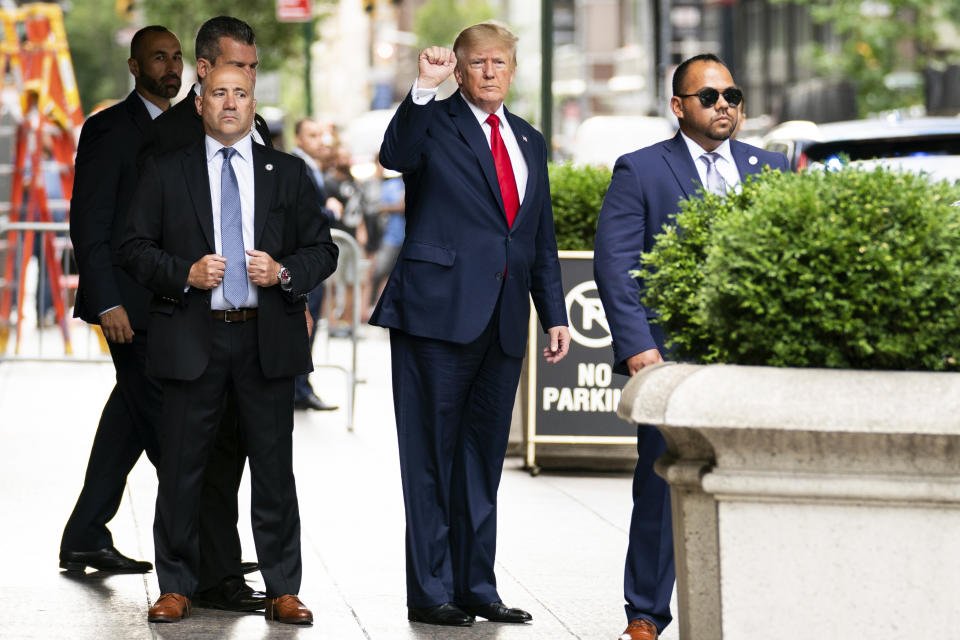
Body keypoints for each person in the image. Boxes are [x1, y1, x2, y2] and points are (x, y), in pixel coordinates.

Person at [120, 63, 338, 625]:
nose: (231, 103)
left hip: (266, 339)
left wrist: (285, 272)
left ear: (252, 102)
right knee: (184, 469)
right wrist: (183, 273)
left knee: (273, 470)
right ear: (200, 103)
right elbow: (134, 247)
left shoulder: (286, 172)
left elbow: (323, 249)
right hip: (193, 337)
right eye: (219, 93)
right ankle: (175, 586)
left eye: (241, 94)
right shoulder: (167, 172)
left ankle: (282, 589)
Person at [370, 22, 571, 627]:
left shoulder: (530, 140)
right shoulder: (433, 120)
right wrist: (423, 89)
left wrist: (554, 313)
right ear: (458, 69)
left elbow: (538, 236)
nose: (489, 72)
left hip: (505, 320)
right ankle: (431, 592)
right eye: (477, 62)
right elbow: (393, 156)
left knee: (482, 460)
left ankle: (477, 586)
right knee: (430, 456)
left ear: (512, 70)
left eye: (498, 63)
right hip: (436, 314)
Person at [593, 53, 788, 640]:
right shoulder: (641, 169)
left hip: (751, 358)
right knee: (661, 480)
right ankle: (646, 614)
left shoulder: (772, 167)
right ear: (678, 107)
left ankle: (752, 605)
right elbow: (617, 266)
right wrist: (638, 350)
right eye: (710, 97)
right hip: (668, 355)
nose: (724, 105)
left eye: (732, 94)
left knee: (756, 478)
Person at [138, 15, 278, 611]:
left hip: (254, 328)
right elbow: (127, 232)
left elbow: (284, 226)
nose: (243, 83)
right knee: (182, 457)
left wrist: (288, 293)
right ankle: (183, 580)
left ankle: (222, 573)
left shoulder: (261, 130)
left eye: (249, 73)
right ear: (203, 74)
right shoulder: (167, 139)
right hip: (178, 322)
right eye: (234, 69)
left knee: (239, 456)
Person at [62, 25, 182, 576]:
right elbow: (90, 222)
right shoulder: (108, 129)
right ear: (136, 68)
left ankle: (86, 533)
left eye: (177, 57)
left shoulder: (189, 127)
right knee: (170, 432)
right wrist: (107, 301)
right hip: (127, 307)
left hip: (170, 303)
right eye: (159, 58)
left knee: (129, 419)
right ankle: (200, 557)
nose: (171, 67)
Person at [290, 117, 338, 411]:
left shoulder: (314, 167)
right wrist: (329, 211)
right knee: (304, 326)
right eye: (312, 135)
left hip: (312, 260)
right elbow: (304, 213)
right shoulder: (299, 167)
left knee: (310, 325)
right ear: (299, 139)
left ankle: (301, 387)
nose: (320, 140)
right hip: (303, 261)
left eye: (322, 134)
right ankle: (299, 388)